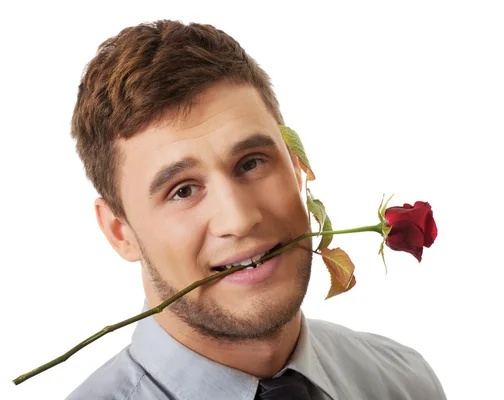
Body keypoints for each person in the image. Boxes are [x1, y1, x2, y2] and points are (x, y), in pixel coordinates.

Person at [66, 19, 447, 400]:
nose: (240, 218)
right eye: (182, 191)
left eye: (251, 163)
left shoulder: (406, 383)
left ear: (298, 168)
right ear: (120, 232)